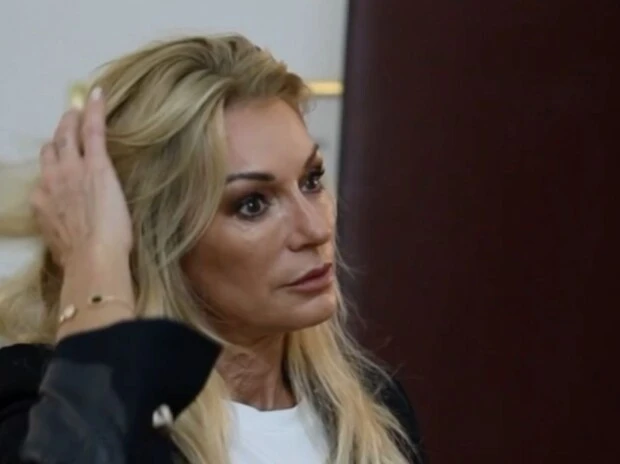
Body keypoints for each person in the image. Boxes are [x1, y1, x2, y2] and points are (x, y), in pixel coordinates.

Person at [0, 34, 424, 463]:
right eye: (252, 204)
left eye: (311, 180)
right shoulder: (35, 407)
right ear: (157, 239)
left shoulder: (375, 409)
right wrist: (93, 262)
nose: (314, 229)